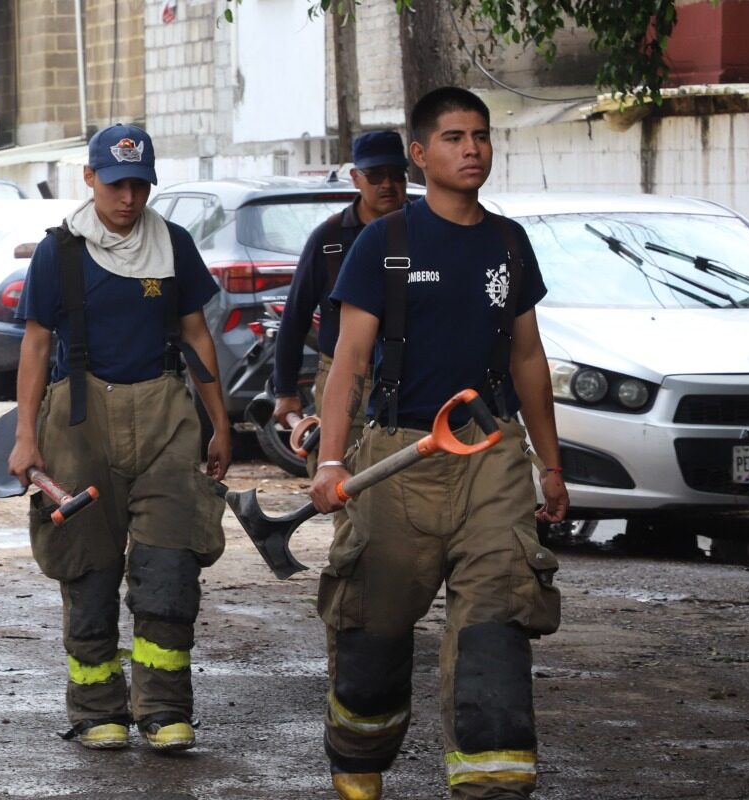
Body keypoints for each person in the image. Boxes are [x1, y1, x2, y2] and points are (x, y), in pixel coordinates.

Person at [309, 87, 567, 800]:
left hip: (491, 458)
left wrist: (550, 466)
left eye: (480, 135)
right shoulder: (384, 243)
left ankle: (490, 784)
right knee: (373, 634)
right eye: (454, 137)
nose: (472, 148)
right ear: (420, 156)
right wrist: (330, 460)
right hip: (399, 460)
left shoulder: (508, 243)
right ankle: (358, 759)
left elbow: (528, 359)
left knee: (497, 622)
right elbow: (348, 363)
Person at [6, 124, 230, 752]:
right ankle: (96, 708)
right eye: (115, 184)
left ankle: (164, 708)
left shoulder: (174, 245)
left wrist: (219, 424)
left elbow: (196, 335)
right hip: (80, 422)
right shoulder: (60, 251)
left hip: (165, 418)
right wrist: (25, 436)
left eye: (139, 185)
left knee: (170, 566)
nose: (128, 198)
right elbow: (35, 346)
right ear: (89, 178)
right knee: (88, 567)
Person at [272, 129, 410, 474]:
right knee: (342, 482)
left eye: (396, 173)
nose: (387, 184)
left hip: (412, 379)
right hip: (345, 380)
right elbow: (295, 316)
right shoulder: (330, 238)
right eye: (375, 175)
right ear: (356, 178)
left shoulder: (425, 230)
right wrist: (285, 390)